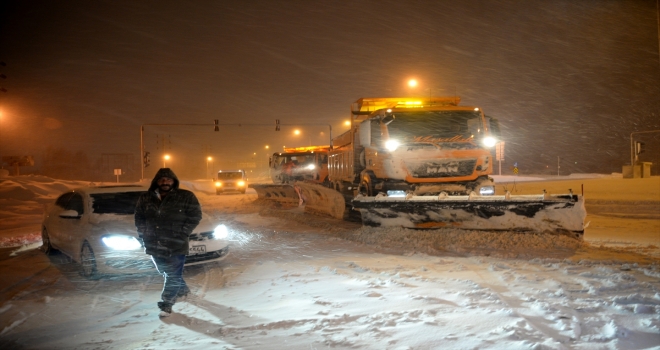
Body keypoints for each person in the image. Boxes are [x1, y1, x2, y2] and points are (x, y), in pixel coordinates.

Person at [134, 168, 202, 317]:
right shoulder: (146, 198)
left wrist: (183, 233)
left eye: (168, 180)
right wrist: (144, 232)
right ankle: (183, 290)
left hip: (176, 243)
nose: (165, 182)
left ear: (174, 181)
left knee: (172, 274)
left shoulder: (185, 197)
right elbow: (139, 217)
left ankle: (167, 303)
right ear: (156, 182)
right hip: (153, 243)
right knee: (165, 271)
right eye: (162, 180)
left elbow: (195, 215)